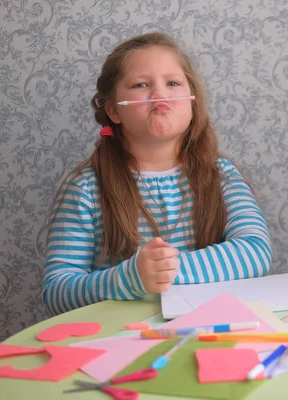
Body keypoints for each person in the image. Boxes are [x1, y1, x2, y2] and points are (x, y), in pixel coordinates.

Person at [43, 32, 271, 315]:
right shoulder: (86, 188)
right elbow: (57, 290)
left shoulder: (221, 175)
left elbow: (255, 251)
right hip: (121, 342)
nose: (160, 94)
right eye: (141, 84)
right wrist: (130, 279)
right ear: (114, 111)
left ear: (192, 101)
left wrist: (166, 270)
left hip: (210, 330)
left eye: (173, 83)